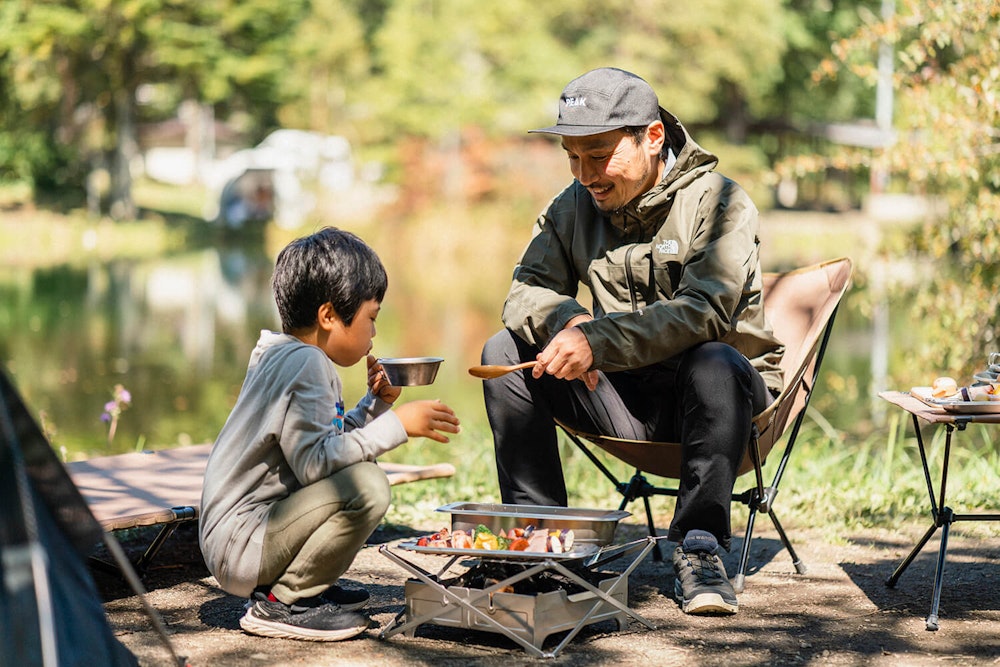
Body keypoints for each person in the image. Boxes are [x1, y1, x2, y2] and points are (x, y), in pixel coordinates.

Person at [480, 68, 784, 615]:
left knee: (713, 360)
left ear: (652, 137)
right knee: (503, 351)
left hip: (728, 407)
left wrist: (599, 339)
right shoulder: (571, 206)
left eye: (597, 156)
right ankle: (543, 547)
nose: (585, 174)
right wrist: (568, 322)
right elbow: (525, 290)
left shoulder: (720, 203)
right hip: (626, 399)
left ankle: (700, 546)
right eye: (572, 157)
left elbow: (705, 312)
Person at [200, 227, 461, 641]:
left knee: (360, 473)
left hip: (239, 540)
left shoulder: (286, 355)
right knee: (369, 485)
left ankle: (307, 583)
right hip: (243, 545)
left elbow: (325, 444)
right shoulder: (308, 363)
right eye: (370, 318)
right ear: (328, 316)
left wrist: (375, 406)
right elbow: (317, 465)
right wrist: (397, 427)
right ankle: (284, 602)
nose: (373, 334)